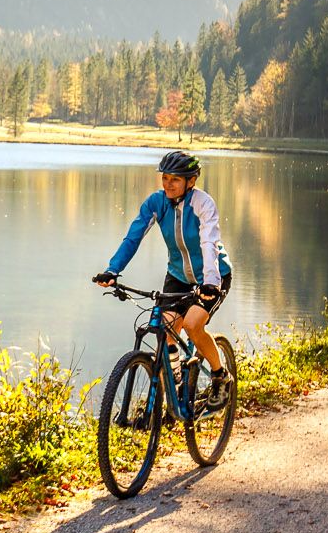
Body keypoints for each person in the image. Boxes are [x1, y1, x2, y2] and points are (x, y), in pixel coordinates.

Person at [93, 149, 233, 408]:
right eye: (165, 177)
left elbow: (209, 243)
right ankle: (174, 388)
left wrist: (210, 283)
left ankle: (220, 376)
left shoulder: (202, 204)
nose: (168, 183)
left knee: (192, 325)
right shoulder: (156, 203)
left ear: (191, 181)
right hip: (178, 276)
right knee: (165, 328)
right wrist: (113, 270)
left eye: (175, 179)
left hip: (213, 277)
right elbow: (133, 237)